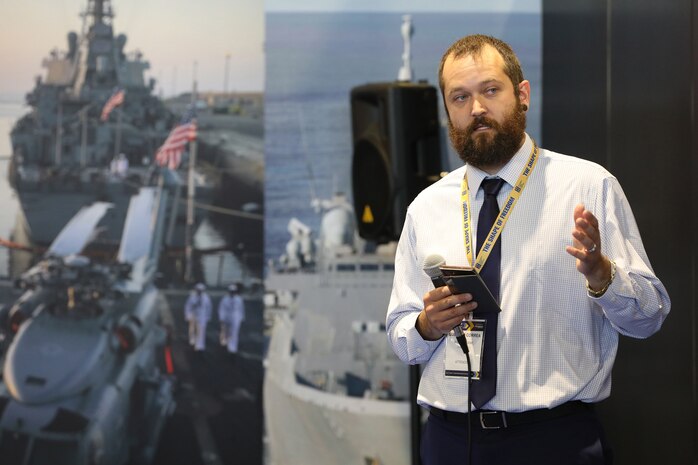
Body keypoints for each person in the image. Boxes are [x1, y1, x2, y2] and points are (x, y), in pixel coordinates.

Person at [385, 34, 670, 465]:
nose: (476, 109)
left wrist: (603, 277)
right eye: (460, 97)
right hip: (449, 440)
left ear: (522, 95)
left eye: (490, 90)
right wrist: (427, 324)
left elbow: (649, 318)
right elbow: (402, 338)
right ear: (448, 112)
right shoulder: (427, 208)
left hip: (553, 440)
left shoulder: (588, 186)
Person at [218, 283, 245, 354]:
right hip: (227, 317)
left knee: (234, 333)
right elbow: (221, 309)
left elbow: (241, 309)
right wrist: (222, 318)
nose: (232, 293)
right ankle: (224, 344)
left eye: (233, 291)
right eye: (231, 291)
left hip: (235, 318)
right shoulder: (225, 299)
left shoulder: (239, 299)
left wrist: (241, 318)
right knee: (226, 332)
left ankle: (232, 349)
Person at [184, 283, 212, 351]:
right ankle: (192, 342)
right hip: (194, 315)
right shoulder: (192, 297)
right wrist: (188, 315)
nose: (199, 291)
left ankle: (200, 346)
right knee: (192, 329)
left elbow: (209, 308)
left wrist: (208, 317)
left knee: (201, 331)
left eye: (201, 290)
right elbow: (188, 306)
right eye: (198, 290)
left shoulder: (206, 298)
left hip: (202, 316)